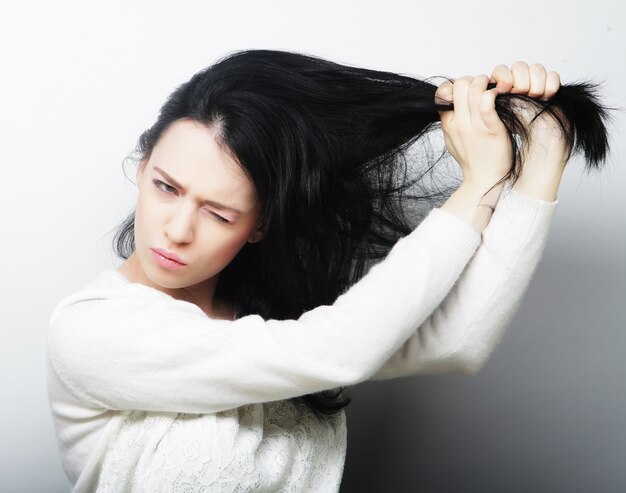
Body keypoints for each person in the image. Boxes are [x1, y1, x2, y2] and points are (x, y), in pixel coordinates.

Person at [47, 50, 606, 492]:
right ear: (143, 168)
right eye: (165, 187)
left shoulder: (276, 318)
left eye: (220, 212)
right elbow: (337, 350)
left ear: (260, 225)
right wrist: (477, 184)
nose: (176, 229)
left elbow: (455, 343)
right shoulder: (91, 331)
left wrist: (543, 156)